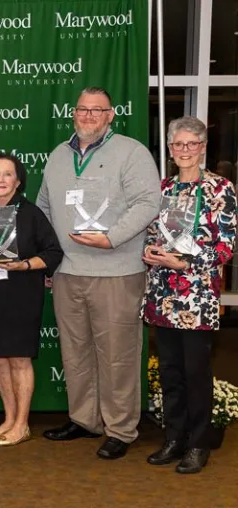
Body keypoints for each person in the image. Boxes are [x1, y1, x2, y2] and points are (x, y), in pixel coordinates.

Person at [36, 87, 160, 459]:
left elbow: (149, 202)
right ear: (73, 113)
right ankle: (85, 419)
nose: (88, 116)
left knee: (118, 355)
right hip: (67, 273)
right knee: (76, 352)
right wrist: (47, 258)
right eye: (82, 109)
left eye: (96, 110)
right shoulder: (59, 155)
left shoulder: (132, 152)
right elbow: (43, 206)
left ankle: (121, 429)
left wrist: (112, 238)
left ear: (110, 116)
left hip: (117, 271)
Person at [142, 117, 237, 474]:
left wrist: (185, 263)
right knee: (169, 372)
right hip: (163, 296)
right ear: (169, 149)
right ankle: (174, 437)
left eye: (191, 144)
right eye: (177, 145)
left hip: (197, 297)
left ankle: (198, 443)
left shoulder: (220, 189)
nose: (184, 151)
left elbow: (226, 245)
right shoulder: (163, 188)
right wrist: (151, 251)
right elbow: (154, 233)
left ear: (202, 148)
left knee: (196, 372)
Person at [0, 153, 63, 446]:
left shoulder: (31, 214)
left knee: (20, 359)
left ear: (18, 180)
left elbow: (53, 252)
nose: (1, 180)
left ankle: (22, 424)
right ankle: (9, 418)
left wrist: (24, 265)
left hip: (23, 295)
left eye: (7, 174)